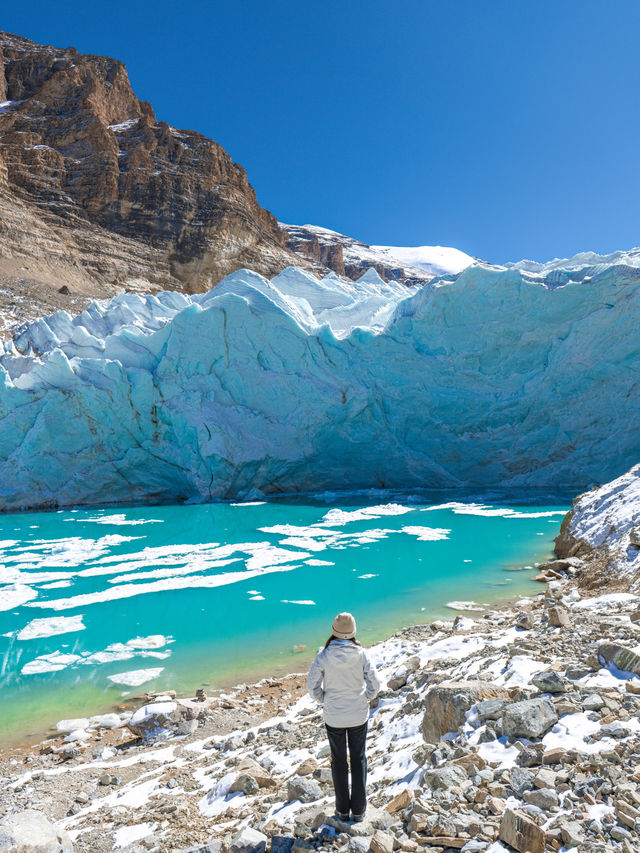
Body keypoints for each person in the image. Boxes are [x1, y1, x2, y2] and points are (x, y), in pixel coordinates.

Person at [306, 612, 381, 822]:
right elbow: (376, 684)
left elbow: (311, 686)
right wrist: (364, 698)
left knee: (338, 761)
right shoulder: (361, 653)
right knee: (358, 759)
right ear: (354, 632)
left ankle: (342, 810)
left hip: (334, 716)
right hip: (358, 714)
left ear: (334, 631)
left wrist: (324, 699)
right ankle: (359, 810)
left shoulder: (324, 655)